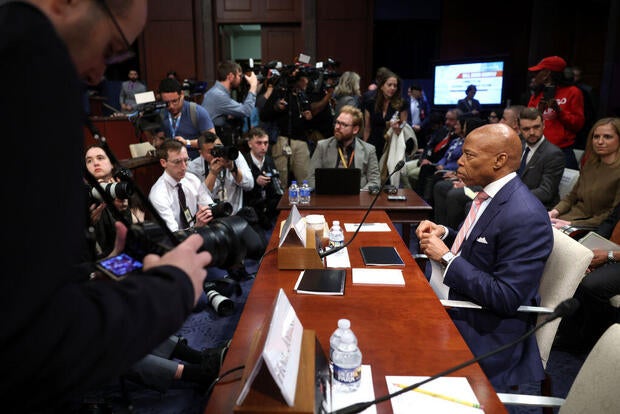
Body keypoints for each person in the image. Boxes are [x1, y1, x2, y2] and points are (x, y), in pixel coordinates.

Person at [1, 0, 216, 410]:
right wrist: (170, 289)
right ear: (66, 4)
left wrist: (112, 266)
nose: (101, 73)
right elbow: (35, 337)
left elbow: (44, 280)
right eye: (112, 49)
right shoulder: (29, 82)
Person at [416, 123, 553, 391]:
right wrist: (445, 233)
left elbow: (506, 296)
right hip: (456, 299)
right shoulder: (489, 196)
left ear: (499, 160)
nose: (460, 161)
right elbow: (481, 248)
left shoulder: (524, 215)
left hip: (485, 331)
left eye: (469, 155)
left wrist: (447, 259)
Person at [554, 203, 620, 354]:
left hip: (615, 255)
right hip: (612, 249)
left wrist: (609, 256)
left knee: (592, 284)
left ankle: (588, 340)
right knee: (575, 261)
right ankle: (564, 329)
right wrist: (592, 249)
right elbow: (610, 221)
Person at [549, 117, 620, 230]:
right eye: (596, 137)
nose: (600, 141)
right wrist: (554, 212)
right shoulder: (589, 165)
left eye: (607, 137)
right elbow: (572, 196)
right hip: (568, 219)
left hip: (593, 227)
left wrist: (571, 224)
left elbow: (612, 216)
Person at [527, 55, 585, 169]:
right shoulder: (537, 94)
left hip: (561, 150)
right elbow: (526, 121)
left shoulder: (573, 92)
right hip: (537, 148)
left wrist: (559, 112)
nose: (534, 76)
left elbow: (578, 124)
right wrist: (538, 111)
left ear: (547, 74)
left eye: (538, 72)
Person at [259, 70, 314, 188]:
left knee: (305, 181)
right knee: (281, 180)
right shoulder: (280, 93)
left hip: (301, 141)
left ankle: (304, 204)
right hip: (282, 139)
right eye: (303, 80)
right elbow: (263, 115)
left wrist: (309, 117)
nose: (306, 82)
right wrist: (276, 108)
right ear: (296, 81)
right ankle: (281, 204)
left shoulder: (302, 95)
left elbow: (309, 120)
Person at [306, 105, 380, 191]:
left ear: (355, 129)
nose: (337, 127)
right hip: (328, 198)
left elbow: (375, 181)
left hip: (357, 199)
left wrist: (359, 194)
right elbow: (311, 178)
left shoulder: (369, 150)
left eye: (343, 125)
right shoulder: (322, 146)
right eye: (337, 122)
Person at [85, 144, 138, 259]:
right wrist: (88, 223)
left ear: (112, 163)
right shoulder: (84, 197)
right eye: (89, 161)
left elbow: (131, 238)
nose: (95, 163)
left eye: (100, 158)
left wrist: (123, 212)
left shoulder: (122, 189)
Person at [149, 140, 215, 232]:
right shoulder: (159, 194)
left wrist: (211, 210)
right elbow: (174, 235)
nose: (184, 167)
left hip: (198, 233)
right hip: (174, 243)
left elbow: (209, 205)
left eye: (186, 160)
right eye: (177, 162)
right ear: (163, 163)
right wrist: (196, 228)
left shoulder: (192, 179)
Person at [187, 132, 254, 215]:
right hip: (210, 218)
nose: (218, 153)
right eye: (212, 151)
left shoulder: (234, 156)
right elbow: (198, 201)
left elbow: (249, 185)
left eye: (219, 148)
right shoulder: (193, 168)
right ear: (201, 152)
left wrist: (232, 168)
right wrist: (213, 174)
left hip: (234, 216)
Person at [516, 107, 565, 209]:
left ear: (543, 125)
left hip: (539, 207)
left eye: (536, 127)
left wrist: (513, 197)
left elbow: (546, 192)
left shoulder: (553, 154)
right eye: (526, 129)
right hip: (518, 204)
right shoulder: (518, 146)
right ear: (519, 129)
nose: (532, 132)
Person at [201, 60, 258, 147]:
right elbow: (246, 111)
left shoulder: (216, 92)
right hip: (213, 142)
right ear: (231, 76)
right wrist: (253, 85)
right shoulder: (218, 95)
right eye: (239, 76)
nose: (241, 79)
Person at [158, 77, 215, 160]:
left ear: (182, 94)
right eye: (166, 103)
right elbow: (159, 140)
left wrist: (187, 143)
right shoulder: (162, 113)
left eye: (174, 101)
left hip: (196, 165)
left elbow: (212, 141)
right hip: (172, 165)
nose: (171, 106)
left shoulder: (197, 112)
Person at [242, 127, 283, 230]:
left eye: (266, 143)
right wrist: (255, 182)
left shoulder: (269, 160)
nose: (263, 147)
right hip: (250, 209)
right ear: (250, 144)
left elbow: (276, 188)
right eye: (259, 143)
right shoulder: (243, 161)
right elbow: (240, 189)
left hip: (269, 209)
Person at [363, 71, 407, 161]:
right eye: (389, 85)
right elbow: (367, 128)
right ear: (382, 86)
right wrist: (364, 147)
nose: (392, 88)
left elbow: (404, 125)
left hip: (391, 146)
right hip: (373, 145)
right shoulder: (370, 103)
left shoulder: (402, 104)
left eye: (395, 86)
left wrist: (398, 127)